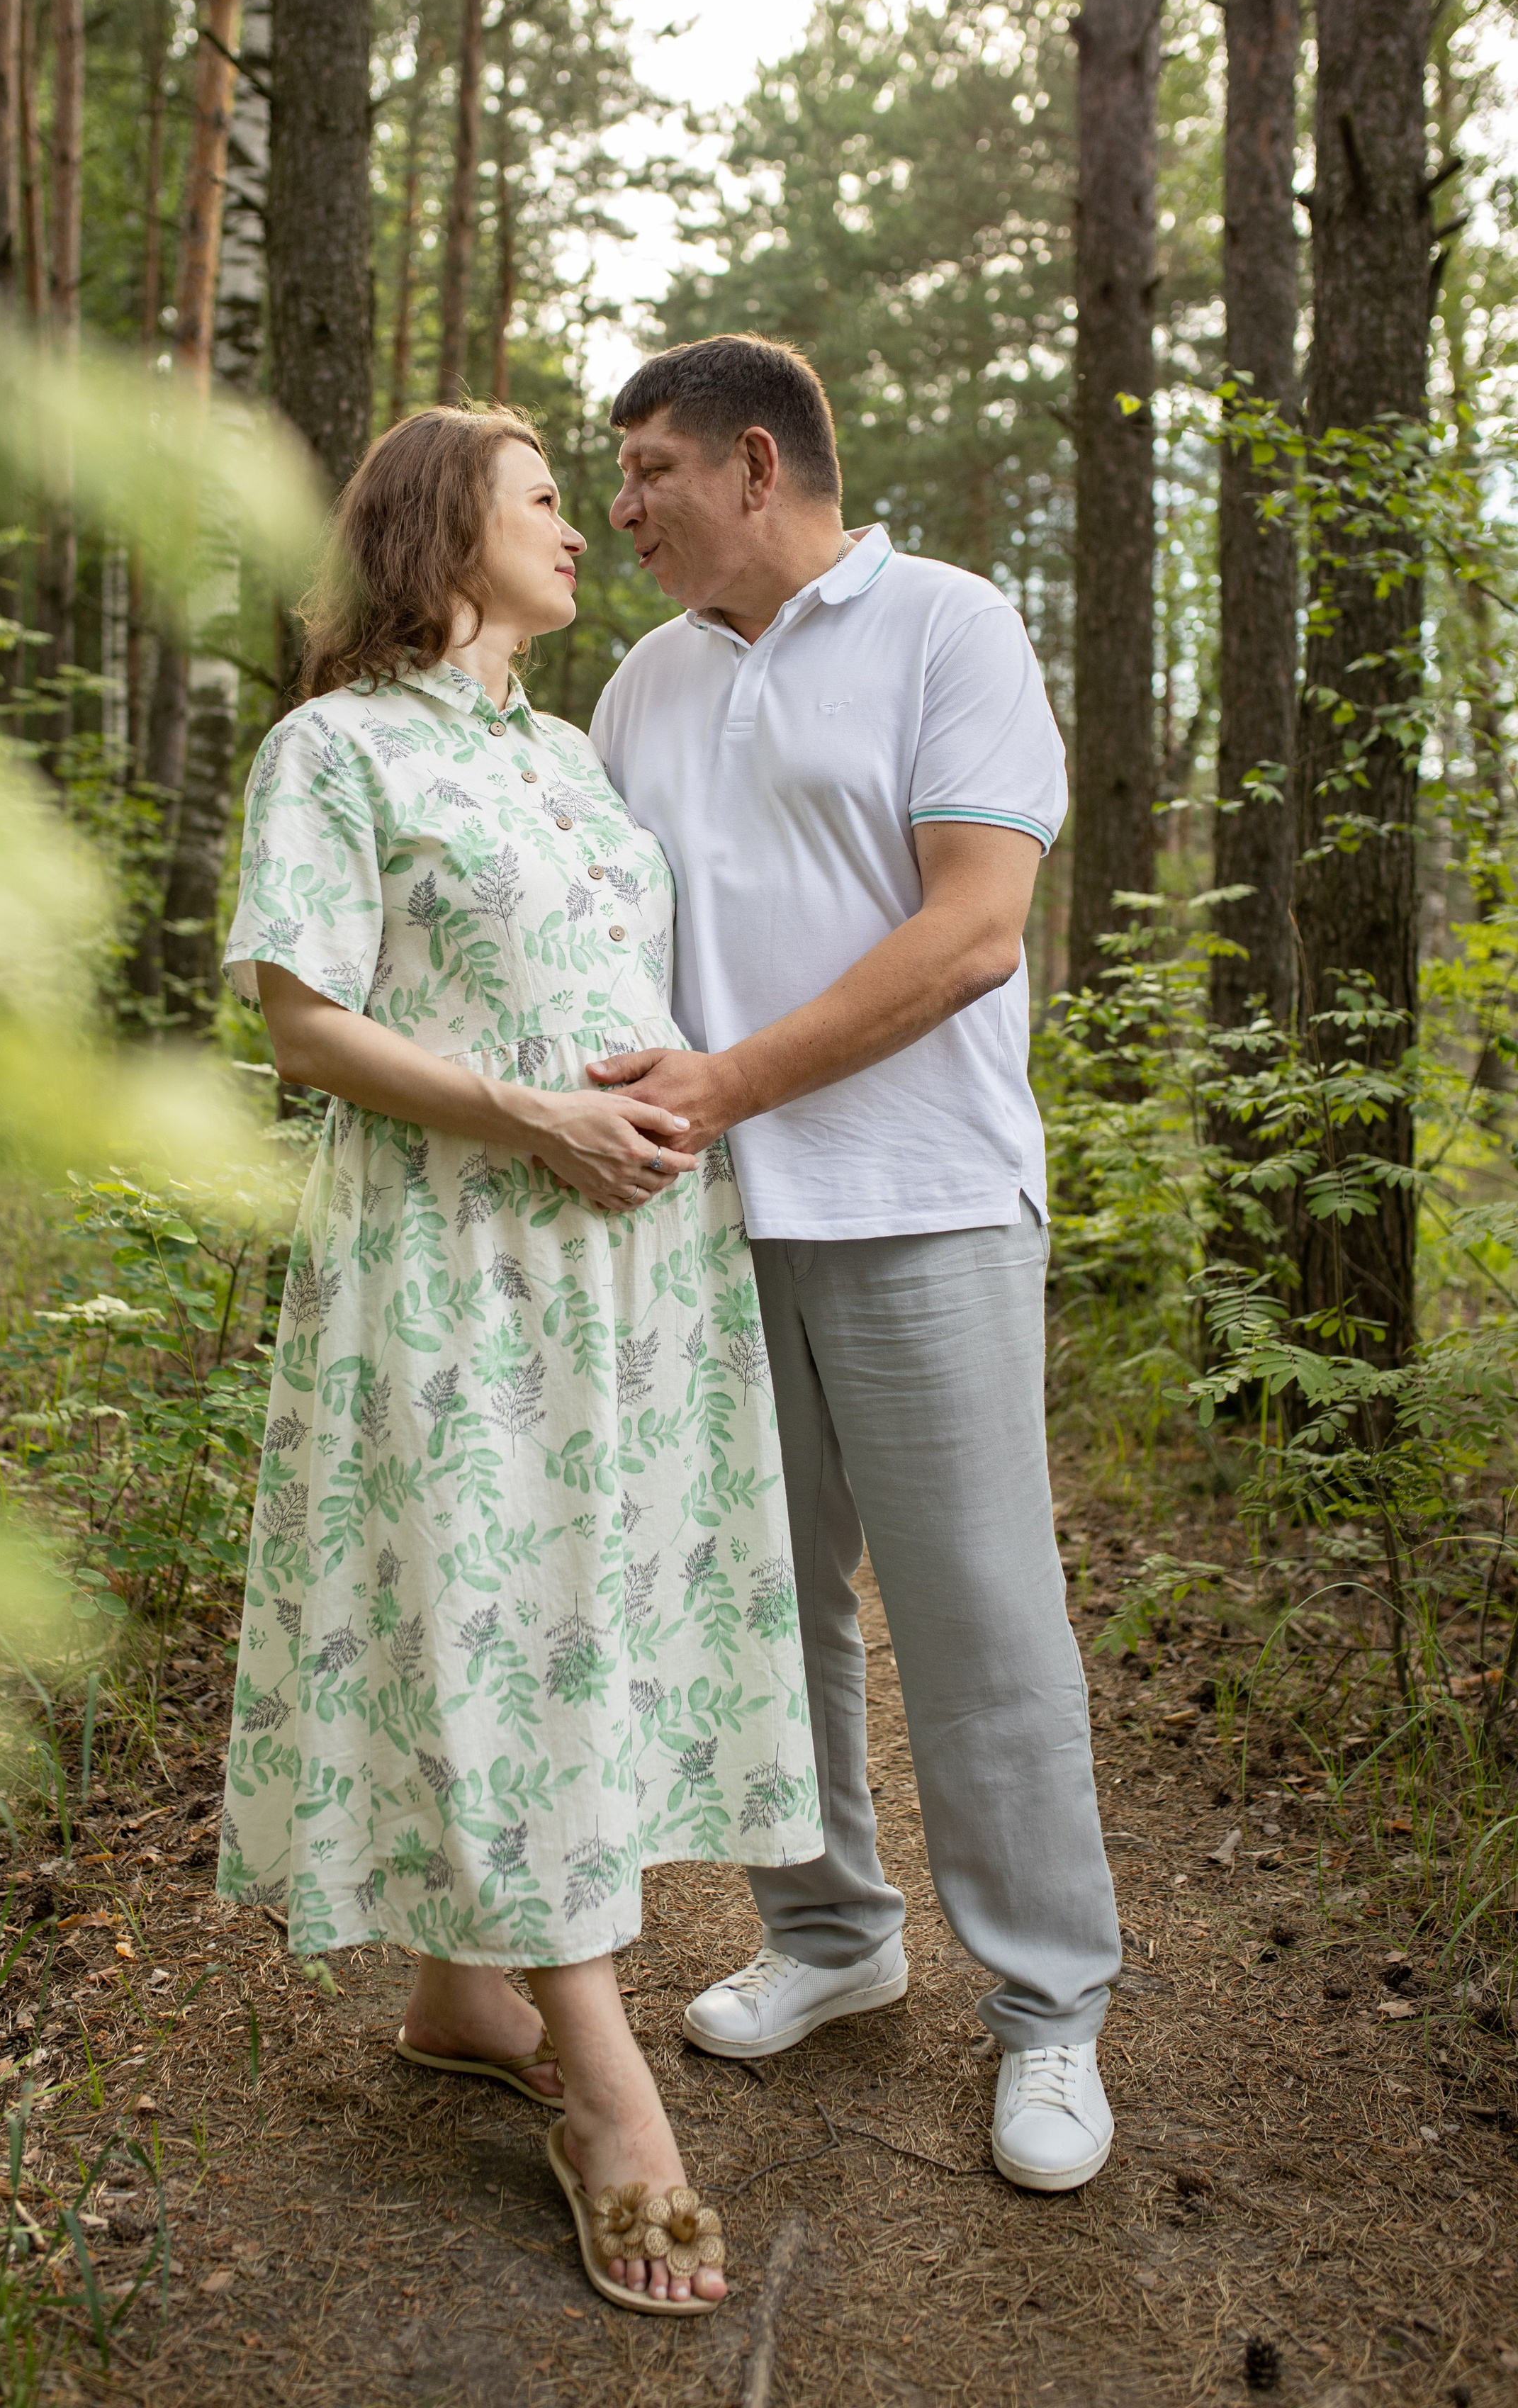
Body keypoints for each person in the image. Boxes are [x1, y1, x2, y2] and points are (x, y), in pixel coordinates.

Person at [213, 403, 822, 2309]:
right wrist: (533, 1116)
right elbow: (302, 1024)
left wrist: (654, 1113)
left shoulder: (570, 754)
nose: (587, 527)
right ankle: (609, 2093)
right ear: (439, 532)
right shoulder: (335, 748)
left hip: (629, 1281)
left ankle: (468, 1995)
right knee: (518, 1626)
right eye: (550, 502)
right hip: (458, 1256)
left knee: (587, 1615)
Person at [587, 334, 1123, 2195]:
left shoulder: (949, 628)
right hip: (708, 1230)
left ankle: (1050, 2016)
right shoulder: (641, 685)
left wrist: (729, 1082)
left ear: (757, 464)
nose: (620, 505)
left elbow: (975, 932)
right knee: (760, 1609)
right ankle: (829, 1934)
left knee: (979, 1620)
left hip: (927, 1201)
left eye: (649, 468)